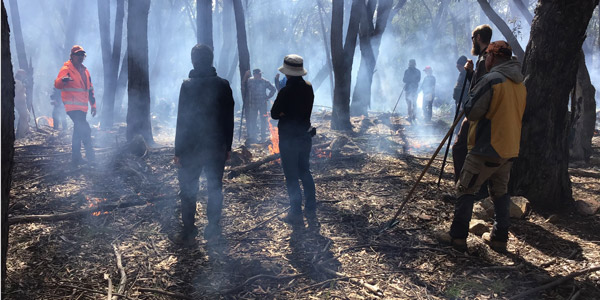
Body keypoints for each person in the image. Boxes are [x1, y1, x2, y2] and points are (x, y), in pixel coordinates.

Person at [437, 41, 526, 252]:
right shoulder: (519, 84)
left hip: (486, 147)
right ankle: (499, 238)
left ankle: (457, 237)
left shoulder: (492, 79)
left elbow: (473, 112)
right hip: (509, 148)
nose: (485, 60)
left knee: (465, 188)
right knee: (500, 192)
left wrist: (470, 96)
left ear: (493, 57)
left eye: (487, 57)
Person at [171, 44, 234, 245]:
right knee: (215, 188)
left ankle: (189, 231)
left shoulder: (187, 85)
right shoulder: (223, 85)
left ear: (193, 61)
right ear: (211, 60)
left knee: (189, 190)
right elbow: (228, 119)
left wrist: (178, 151)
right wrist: (228, 146)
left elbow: (182, 120)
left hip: (191, 148)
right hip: (216, 146)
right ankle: (213, 228)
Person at [446, 25, 492, 200]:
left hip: (477, 112)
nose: (472, 41)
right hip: (481, 112)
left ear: (478, 37)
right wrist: (471, 72)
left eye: (473, 38)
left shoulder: (485, 58)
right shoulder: (486, 57)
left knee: (459, 148)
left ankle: (463, 191)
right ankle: (475, 189)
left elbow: (480, 88)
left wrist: (470, 108)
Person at [271, 54, 316, 225]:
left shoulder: (285, 91)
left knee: (291, 176)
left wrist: (285, 113)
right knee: (305, 171)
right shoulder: (308, 87)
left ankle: (295, 212)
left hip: (289, 139)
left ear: (288, 73)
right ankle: (311, 209)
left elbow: (275, 113)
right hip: (305, 136)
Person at [54, 45, 96, 166]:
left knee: (78, 132)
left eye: (82, 55)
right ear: (72, 56)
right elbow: (57, 84)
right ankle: (91, 156)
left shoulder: (85, 71)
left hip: (82, 107)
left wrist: (93, 105)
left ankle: (76, 159)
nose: (80, 57)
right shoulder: (67, 68)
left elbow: (90, 89)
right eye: (78, 55)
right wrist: (63, 80)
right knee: (85, 129)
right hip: (72, 107)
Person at [243, 68, 276, 143]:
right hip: (253, 104)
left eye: (260, 73)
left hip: (263, 104)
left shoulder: (264, 81)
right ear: (255, 74)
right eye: (258, 74)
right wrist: (245, 76)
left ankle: (263, 137)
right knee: (253, 120)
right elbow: (243, 85)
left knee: (263, 120)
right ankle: (254, 137)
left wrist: (268, 97)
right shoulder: (250, 81)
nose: (260, 75)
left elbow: (273, 89)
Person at [14, 69, 30, 138]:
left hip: (21, 102)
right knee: (24, 117)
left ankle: (23, 133)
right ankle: (21, 135)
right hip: (19, 102)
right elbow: (16, 93)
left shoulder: (19, 82)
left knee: (26, 116)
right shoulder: (17, 82)